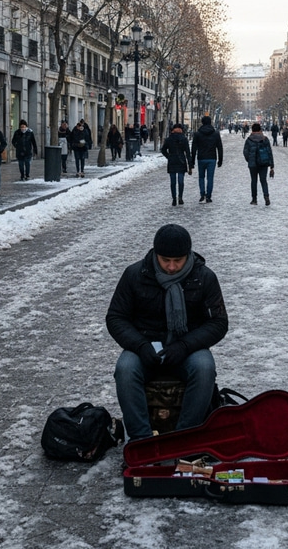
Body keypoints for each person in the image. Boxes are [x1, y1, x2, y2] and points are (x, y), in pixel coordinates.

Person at [106, 224, 228, 441]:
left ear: (188, 255)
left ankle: (183, 440)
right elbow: (116, 317)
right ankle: (141, 442)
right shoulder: (134, 274)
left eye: (178, 261)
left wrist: (184, 346)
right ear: (155, 254)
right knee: (125, 369)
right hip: (144, 345)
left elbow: (218, 323)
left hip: (188, 347)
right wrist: (140, 346)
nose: (172, 267)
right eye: (165, 260)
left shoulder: (204, 277)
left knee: (204, 368)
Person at [190, 115, 223, 203]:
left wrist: (192, 161)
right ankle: (208, 196)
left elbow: (193, 148)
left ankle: (202, 194)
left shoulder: (197, 134)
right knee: (210, 178)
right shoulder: (215, 133)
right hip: (212, 158)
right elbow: (219, 147)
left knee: (201, 177)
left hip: (201, 158)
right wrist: (220, 159)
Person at [243, 122, 274, 205]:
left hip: (252, 164)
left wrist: (249, 159)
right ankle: (266, 196)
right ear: (260, 129)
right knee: (263, 181)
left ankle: (254, 199)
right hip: (263, 163)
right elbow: (269, 152)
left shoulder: (249, 140)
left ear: (252, 130)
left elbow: (245, 151)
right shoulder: (265, 139)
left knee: (254, 181)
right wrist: (272, 166)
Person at [161, 123, 191, 206]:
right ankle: (180, 197)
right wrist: (190, 165)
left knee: (173, 182)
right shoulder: (184, 139)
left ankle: (174, 199)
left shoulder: (169, 139)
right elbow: (188, 153)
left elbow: (163, 150)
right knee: (181, 181)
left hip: (172, 161)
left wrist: (168, 156)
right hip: (181, 161)